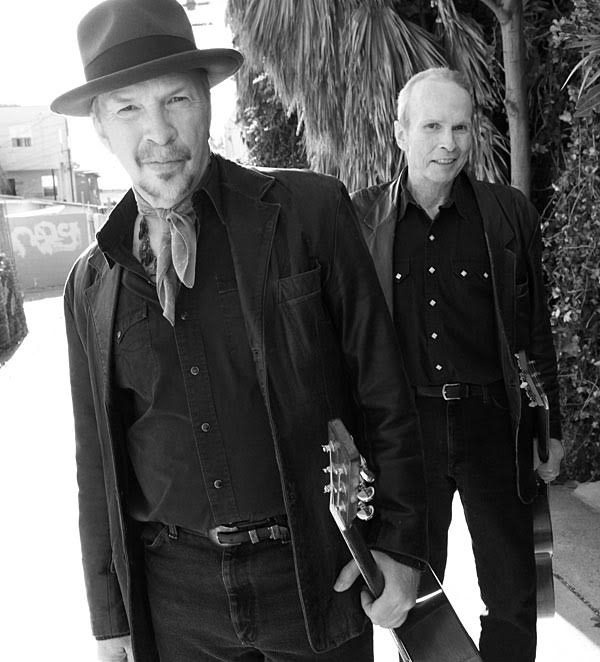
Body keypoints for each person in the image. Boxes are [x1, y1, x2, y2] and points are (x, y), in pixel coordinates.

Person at [52, 1, 426, 660]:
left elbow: (383, 388)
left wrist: (400, 544)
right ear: (101, 128)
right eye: (128, 109)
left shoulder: (311, 213)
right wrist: (110, 622)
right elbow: (97, 465)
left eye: (176, 99)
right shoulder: (90, 282)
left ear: (207, 101)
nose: (159, 132)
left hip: (312, 576)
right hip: (175, 599)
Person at [351, 68, 564, 662]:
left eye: (460, 128)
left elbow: (534, 329)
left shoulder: (507, 214)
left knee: (513, 592)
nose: (448, 143)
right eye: (432, 127)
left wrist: (551, 430)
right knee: (417, 595)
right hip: (406, 432)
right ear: (401, 133)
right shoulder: (359, 219)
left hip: (493, 421)